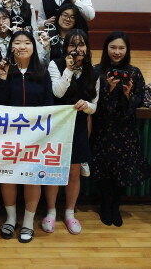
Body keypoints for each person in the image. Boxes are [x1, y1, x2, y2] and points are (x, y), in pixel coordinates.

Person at [0, 30, 54, 243]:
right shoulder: (3, 70)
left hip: (36, 137)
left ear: (34, 47)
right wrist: (2, 77)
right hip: (8, 136)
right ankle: (11, 218)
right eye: (17, 42)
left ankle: (28, 221)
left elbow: (49, 105)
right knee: (9, 176)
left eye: (27, 42)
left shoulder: (42, 73)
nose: (22, 46)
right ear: (11, 47)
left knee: (32, 178)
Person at [91, 31, 151, 227]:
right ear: (106, 49)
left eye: (121, 48)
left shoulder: (134, 72)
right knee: (104, 170)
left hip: (125, 130)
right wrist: (108, 90)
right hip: (103, 129)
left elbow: (139, 100)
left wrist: (127, 94)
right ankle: (105, 206)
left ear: (127, 50)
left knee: (122, 169)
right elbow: (93, 102)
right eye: (113, 47)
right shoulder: (96, 71)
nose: (117, 52)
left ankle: (115, 206)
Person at [45, 29, 99, 235]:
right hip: (57, 125)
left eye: (81, 44)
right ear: (66, 47)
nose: (77, 49)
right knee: (53, 170)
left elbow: (94, 105)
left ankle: (69, 212)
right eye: (72, 45)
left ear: (87, 47)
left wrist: (86, 105)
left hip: (78, 125)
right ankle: (51, 211)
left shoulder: (93, 71)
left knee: (74, 172)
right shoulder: (55, 64)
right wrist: (68, 69)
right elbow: (57, 92)